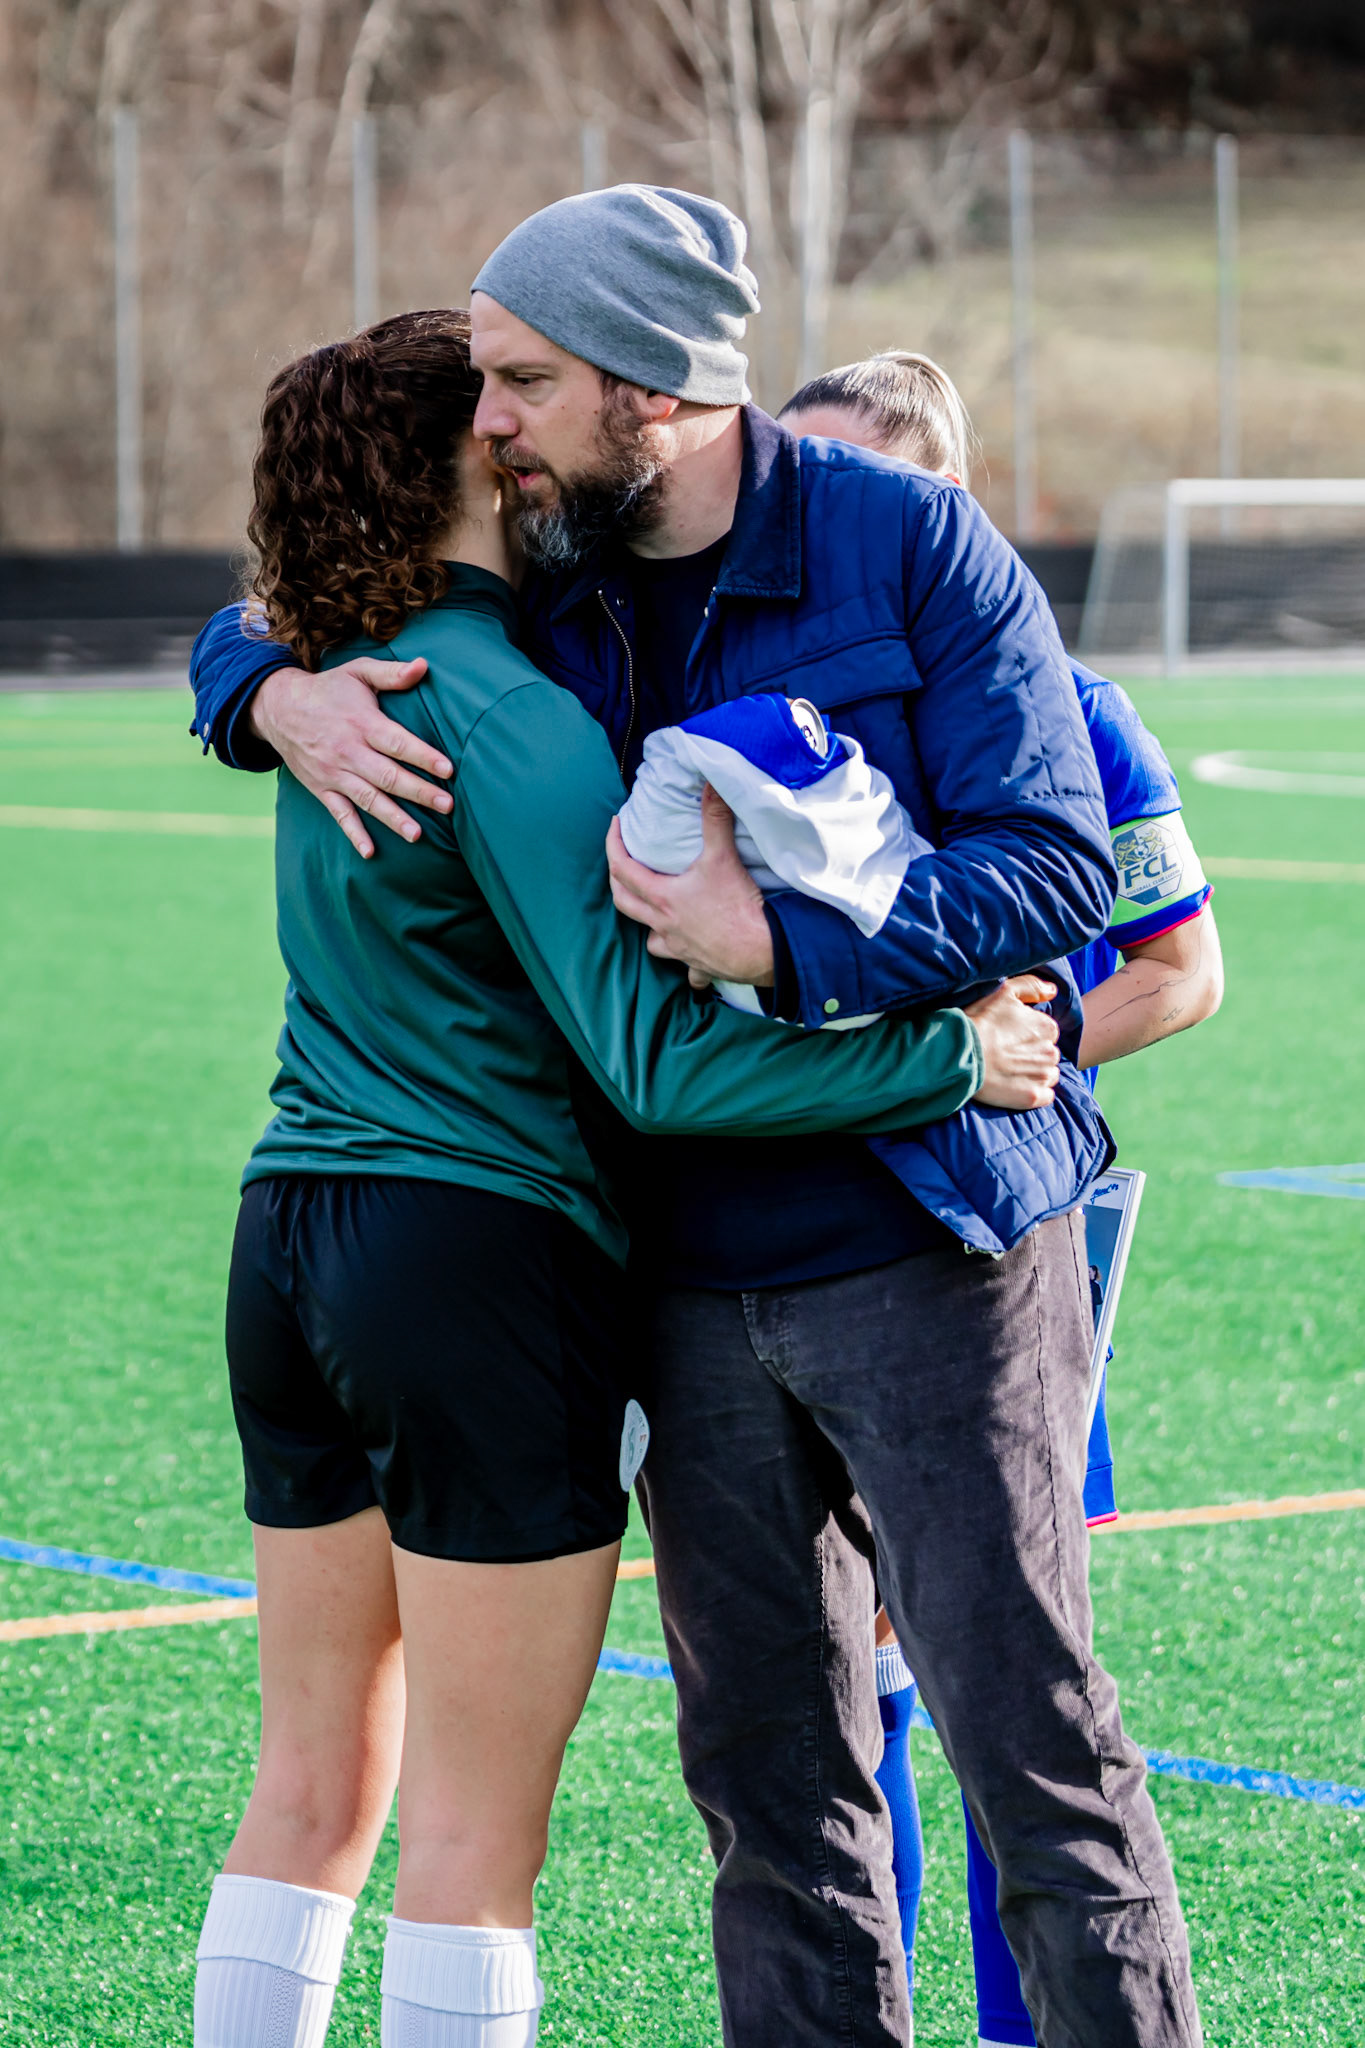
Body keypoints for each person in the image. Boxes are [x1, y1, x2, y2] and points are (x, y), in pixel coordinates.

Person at [189, 186, 1205, 2048]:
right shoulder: (544, 561)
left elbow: (1056, 861)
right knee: (771, 1798)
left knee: (1028, 1757)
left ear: (651, 390)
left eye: (519, 380)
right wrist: (267, 695)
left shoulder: (917, 552)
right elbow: (278, 595)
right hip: (672, 1273)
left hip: (933, 1247)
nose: (481, 418)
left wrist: (796, 942)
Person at [777, 347, 1223, 2047]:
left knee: (1003, 1698)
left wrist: (1004, 1054)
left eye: (859, 488)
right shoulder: (755, 689)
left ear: (940, 508)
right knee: (834, 1704)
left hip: (991, 1246)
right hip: (778, 1254)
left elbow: (1180, 972)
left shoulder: (1065, 706)